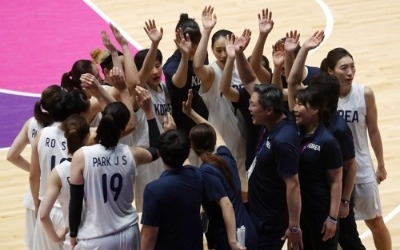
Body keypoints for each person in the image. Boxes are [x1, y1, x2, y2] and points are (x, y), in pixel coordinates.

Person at [69, 86, 161, 249]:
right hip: (128, 231)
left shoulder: (82, 156)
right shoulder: (132, 154)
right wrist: (149, 113)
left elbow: (75, 200)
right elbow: (157, 149)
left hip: (96, 236)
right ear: (125, 127)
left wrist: (73, 233)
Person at [324, 47, 392, 250]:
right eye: (343, 68)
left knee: (375, 222)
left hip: (361, 169)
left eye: (352, 67)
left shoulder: (365, 94)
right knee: (340, 229)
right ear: (330, 71)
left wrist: (380, 165)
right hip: (335, 173)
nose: (350, 72)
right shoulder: (325, 98)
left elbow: (373, 131)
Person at [286, 31, 343, 248]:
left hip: (320, 212)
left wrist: (333, 217)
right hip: (298, 212)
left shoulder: (328, 140)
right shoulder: (296, 128)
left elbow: (337, 180)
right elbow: (292, 82)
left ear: (316, 110)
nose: (296, 108)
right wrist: (302, 50)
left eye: (302, 105)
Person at [181, 89, 255, 249]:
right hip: (247, 228)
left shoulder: (206, 172)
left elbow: (226, 204)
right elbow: (214, 130)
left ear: (193, 147)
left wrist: (232, 241)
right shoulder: (225, 156)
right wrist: (191, 113)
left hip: (231, 237)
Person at [193, 5, 247, 199]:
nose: (223, 54)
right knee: (220, 199)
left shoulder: (243, 68)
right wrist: (206, 30)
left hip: (244, 143)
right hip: (219, 146)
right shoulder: (211, 73)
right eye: (218, 50)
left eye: (227, 49)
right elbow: (197, 65)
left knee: (243, 200)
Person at [29, 89, 91, 250]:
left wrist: (37, 204)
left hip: (47, 208)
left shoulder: (42, 133)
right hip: (72, 211)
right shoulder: (83, 136)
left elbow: (33, 176)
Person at [6, 85, 65, 249]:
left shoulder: (31, 123)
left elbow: (12, 156)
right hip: (57, 201)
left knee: (35, 245)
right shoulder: (65, 129)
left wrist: (36, 171)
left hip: (35, 196)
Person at [247, 84, 302, 250]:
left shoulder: (283, 140)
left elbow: (293, 184)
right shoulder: (270, 127)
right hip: (260, 213)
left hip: (270, 221)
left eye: (253, 105)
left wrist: (293, 226)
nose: (249, 109)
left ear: (269, 110)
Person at [140, 128, 204, 250]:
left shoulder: (153, 189)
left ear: (158, 153)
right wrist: (174, 133)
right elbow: (187, 164)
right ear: (187, 152)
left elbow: (149, 235)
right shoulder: (196, 176)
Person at [39, 114, 90, 249]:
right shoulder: (98, 164)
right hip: (104, 234)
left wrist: (56, 237)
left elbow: (43, 215)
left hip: (75, 239)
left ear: (66, 137)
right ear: (88, 136)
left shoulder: (59, 172)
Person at [163, 13, 209, 135]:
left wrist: (207, 30)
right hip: (182, 122)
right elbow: (180, 83)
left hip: (202, 115)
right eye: (190, 43)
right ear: (179, 40)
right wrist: (185, 56)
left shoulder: (202, 55)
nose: (193, 48)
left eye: (196, 43)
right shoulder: (172, 64)